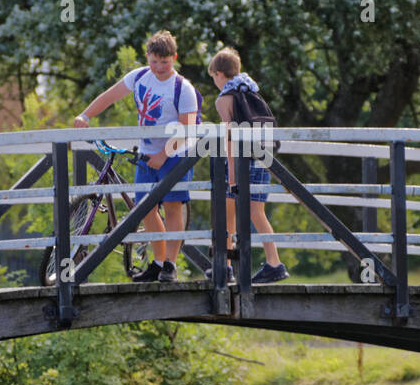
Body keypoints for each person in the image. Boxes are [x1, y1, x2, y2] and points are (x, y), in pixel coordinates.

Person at [73, 30, 199, 282]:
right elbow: (110, 95)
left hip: (176, 153)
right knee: (144, 208)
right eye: (154, 61)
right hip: (146, 152)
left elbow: (188, 129)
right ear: (147, 57)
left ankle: (170, 266)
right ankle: (157, 261)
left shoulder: (183, 88)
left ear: (174, 58)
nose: (159, 67)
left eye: (165, 62)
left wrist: (164, 155)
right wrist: (85, 115)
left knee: (173, 206)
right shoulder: (140, 76)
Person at [207, 47, 289, 284]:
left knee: (227, 211)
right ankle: (274, 263)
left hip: (239, 162)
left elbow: (230, 137)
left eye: (213, 77)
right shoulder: (252, 91)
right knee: (257, 212)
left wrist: (231, 174)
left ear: (219, 74)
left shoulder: (224, 99)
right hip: (261, 159)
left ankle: (227, 267)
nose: (214, 81)